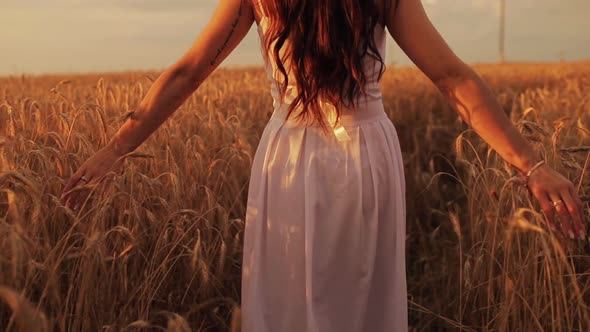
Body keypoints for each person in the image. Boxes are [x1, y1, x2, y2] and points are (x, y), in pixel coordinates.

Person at [60, 0, 587, 331]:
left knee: (286, 307)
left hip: (289, 157)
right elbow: (452, 77)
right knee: (362, 306)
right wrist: (530, 163)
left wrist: (115, 149)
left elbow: (188, 71)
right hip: (365, 156)